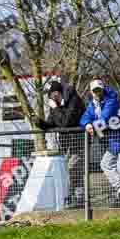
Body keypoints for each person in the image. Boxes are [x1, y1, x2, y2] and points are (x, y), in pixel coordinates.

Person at [80, 79, 120, 207]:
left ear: (103, 89)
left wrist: (93, 125)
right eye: (94, 90)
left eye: (99, 90)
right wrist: (87, 124)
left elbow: (105, 118)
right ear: (91, 92)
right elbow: (85, 117)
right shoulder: (93, 103)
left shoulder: (111, 100)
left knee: (118, 170)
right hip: (114, 139)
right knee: (111, 167)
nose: (97, 93)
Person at [40, 80, 87, 208]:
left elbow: (66, 122)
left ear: (58, 94)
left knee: (74, 168)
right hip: (67, 143)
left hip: (79, 141)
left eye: (53, 96)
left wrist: (55, 108)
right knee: (67, 170)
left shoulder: (73, 100)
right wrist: (39, 123)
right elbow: (52, 122)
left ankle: (80, 198)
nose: (52, 99)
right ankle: (72, 197)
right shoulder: (56, 106)